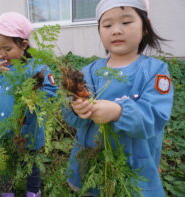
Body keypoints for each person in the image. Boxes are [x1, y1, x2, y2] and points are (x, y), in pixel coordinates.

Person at [63, 0, 173, 196]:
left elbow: (155, 116)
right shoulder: (89, 71)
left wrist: (118, 112)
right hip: (91, 167)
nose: (116, 30)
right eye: (107, 25)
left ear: (145, 27)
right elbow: (71, 116)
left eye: (126, 22)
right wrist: (75, 108)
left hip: (133, 168)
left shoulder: (155, 71)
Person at [0, 12, 57, 197]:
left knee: (30, 163)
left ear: (23, 44)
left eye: (7, 48)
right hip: (1, 129)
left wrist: (31, 96)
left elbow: (52, 91)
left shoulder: (38, 67)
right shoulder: (0, 65)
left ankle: (33, 190)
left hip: (26, 129)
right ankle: (7, 191)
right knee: (5, 162)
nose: (2, 54)